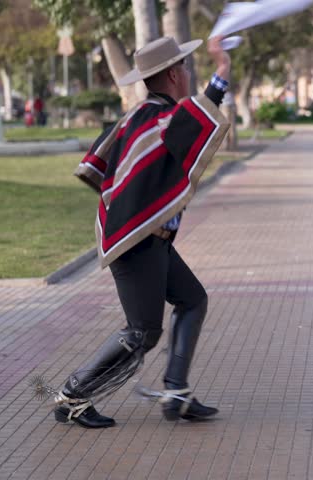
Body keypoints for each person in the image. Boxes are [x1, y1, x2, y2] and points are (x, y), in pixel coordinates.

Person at [54, 36, 232, 428]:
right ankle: (72, 396)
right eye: (183, 67)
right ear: (172, 74)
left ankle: (175, 393)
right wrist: (221, 74)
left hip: (149, 240)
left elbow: (104, 169)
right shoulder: (158, 119)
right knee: (142, 332)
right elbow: (191, 123)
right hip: (136, 244)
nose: (186, 73)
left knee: (192, 300)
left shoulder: (144, 117)